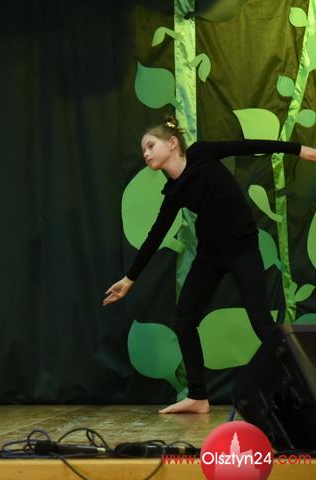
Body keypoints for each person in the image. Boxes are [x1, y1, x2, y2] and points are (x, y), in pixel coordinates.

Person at [103, 116, 316, 414]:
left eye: (150, 146)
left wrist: (297, 149)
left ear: (172, 143)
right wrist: (129, 279)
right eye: (143, 151)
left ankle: (307, 388)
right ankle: (198, 396)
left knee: (262, 324)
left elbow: (245, 146)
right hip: (210, 256)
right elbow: (155, 236)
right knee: (184, 319)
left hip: (242, 248)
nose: (146, 154)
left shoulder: (202, 153)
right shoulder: (174, 192)